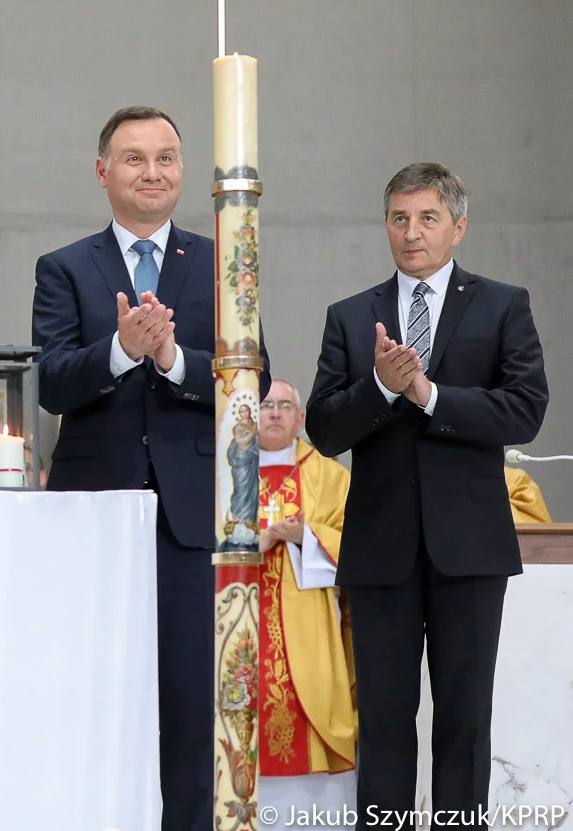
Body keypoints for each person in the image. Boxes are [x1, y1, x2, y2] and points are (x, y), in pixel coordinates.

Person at [32, 105, 268, 831]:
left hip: (194, 517)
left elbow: (253, 374)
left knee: (194, 710)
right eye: (134, 159)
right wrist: (120, 350)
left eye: (166, 157)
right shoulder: (66, 267)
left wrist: (169, 359)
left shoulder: (226, 258)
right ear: (104, 173)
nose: (152, 172)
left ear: (183, 172)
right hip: (92, 516)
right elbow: (50, 382)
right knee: (94, 700)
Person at [306, 162, 548, 824]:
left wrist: (430, 395)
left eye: (428, 218)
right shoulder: (351, 317)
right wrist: (381, 388)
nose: (412, 233)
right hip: (380, 546)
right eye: (399, 218)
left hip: (469, 547)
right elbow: (323, 429)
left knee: (465, 721)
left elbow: (524, 411)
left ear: (458, 226)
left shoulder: (503, 305)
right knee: (383, 720)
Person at [253, 381, 356, 822]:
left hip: (311, 627)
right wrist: (250, 544)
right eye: (266, 405)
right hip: (243, 624)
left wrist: (306, 537)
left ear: (300, 419)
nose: (275, 413)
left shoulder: (330, 475)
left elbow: (358, 542)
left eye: (284, 406)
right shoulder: (224, 470)